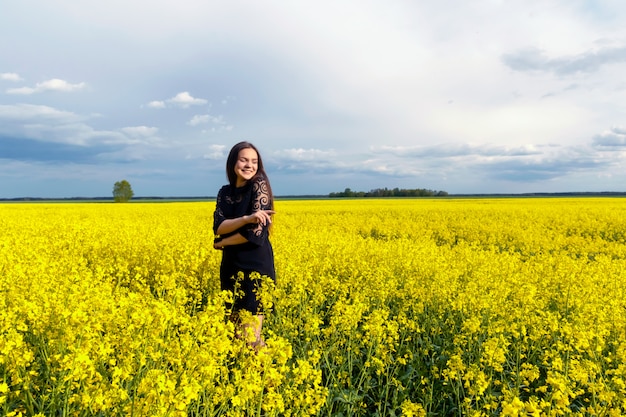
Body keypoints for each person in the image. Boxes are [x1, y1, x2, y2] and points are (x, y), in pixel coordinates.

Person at [213, 141, 275, 351]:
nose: (249, 165)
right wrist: (247, 218)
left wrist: (222, 243)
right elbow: (219, 226)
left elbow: (255, 235)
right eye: (244, 160)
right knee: (233, 336)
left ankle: (267, 383)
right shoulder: (224, 192)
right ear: (233, 163)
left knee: (250, 339)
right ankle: (242, 381)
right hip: (230, 267)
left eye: (254, 161)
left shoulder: (259, 185)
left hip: (256, 268)